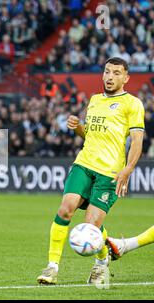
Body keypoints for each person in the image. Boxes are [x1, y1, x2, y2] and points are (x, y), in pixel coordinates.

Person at [37, 57, 145, 285]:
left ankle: (102, 263)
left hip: (109, 173)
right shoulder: (95, 100)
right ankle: (51, 267)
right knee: (65, 209)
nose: (110, 77)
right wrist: (78, 128)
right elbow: (90, 136)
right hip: (84, 164)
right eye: (107, 71)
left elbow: (137, 141)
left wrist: (128, 169)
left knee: (91, 224)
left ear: (126, 78)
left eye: (116, 73)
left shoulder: (132, 104)